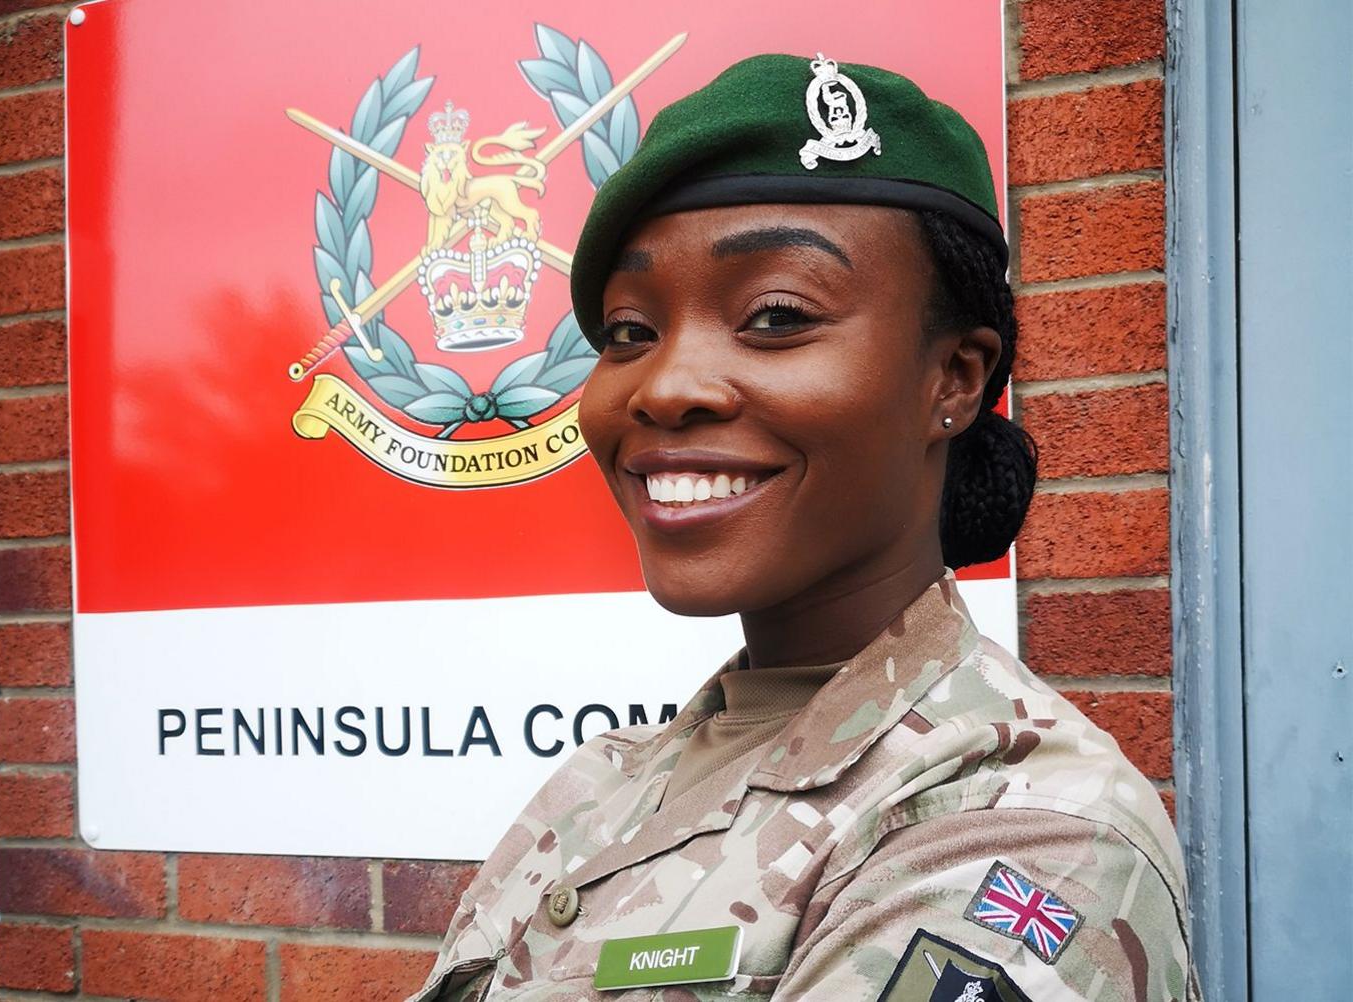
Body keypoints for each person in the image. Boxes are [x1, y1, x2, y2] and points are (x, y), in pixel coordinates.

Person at [404, 53, 1196, 1001]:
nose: (664, 387)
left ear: (954, 378)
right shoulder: (600, 786)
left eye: (775, 316)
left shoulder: (1027, 831)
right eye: (627, 333)